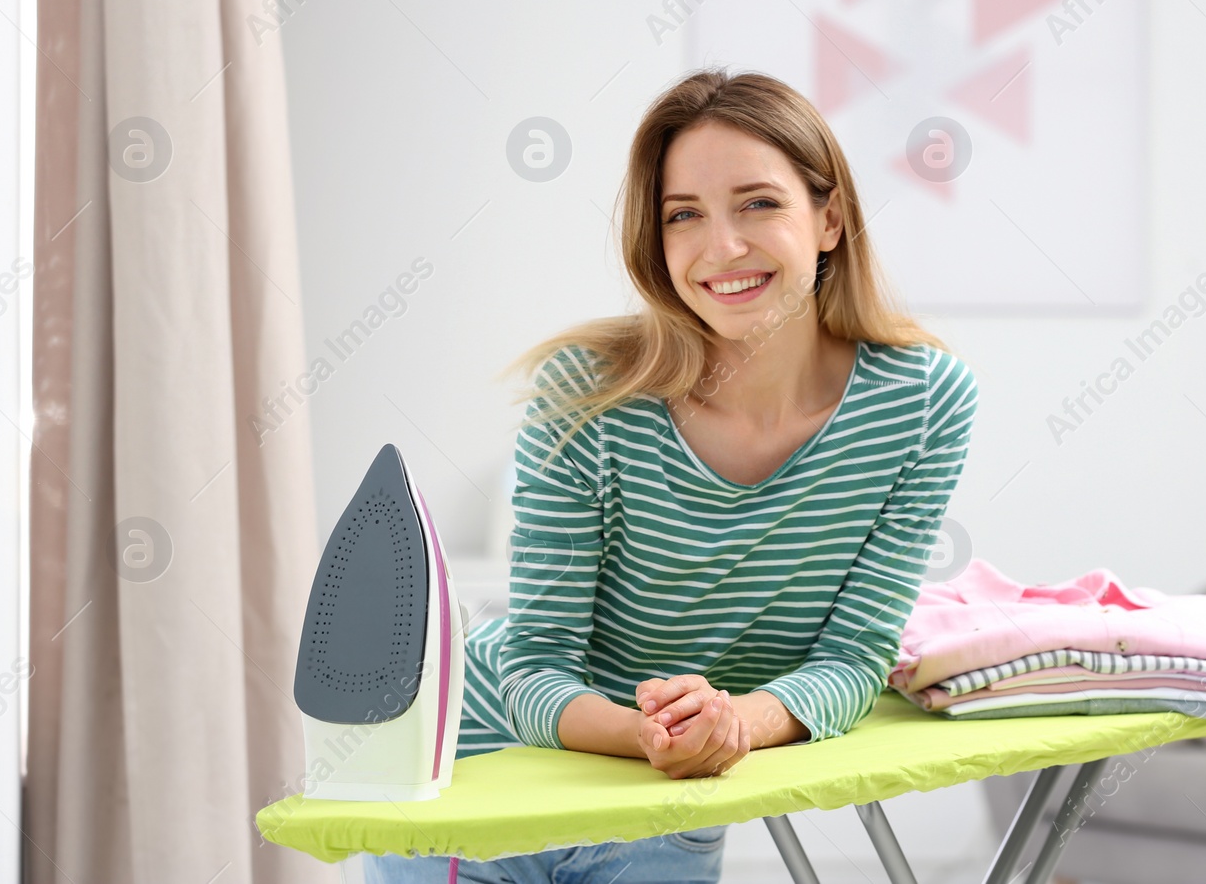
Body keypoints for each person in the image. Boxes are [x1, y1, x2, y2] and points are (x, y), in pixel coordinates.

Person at [363, 67, 978, 883]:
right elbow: (533, 660)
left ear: (829, 217)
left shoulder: (923, 402)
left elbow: (855, 658)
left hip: (670, 790)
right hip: (477, 774)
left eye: (758, 203)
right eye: (683, 216)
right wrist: (657, 734)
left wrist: (734, 724)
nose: (722, 247)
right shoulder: (587, 394)